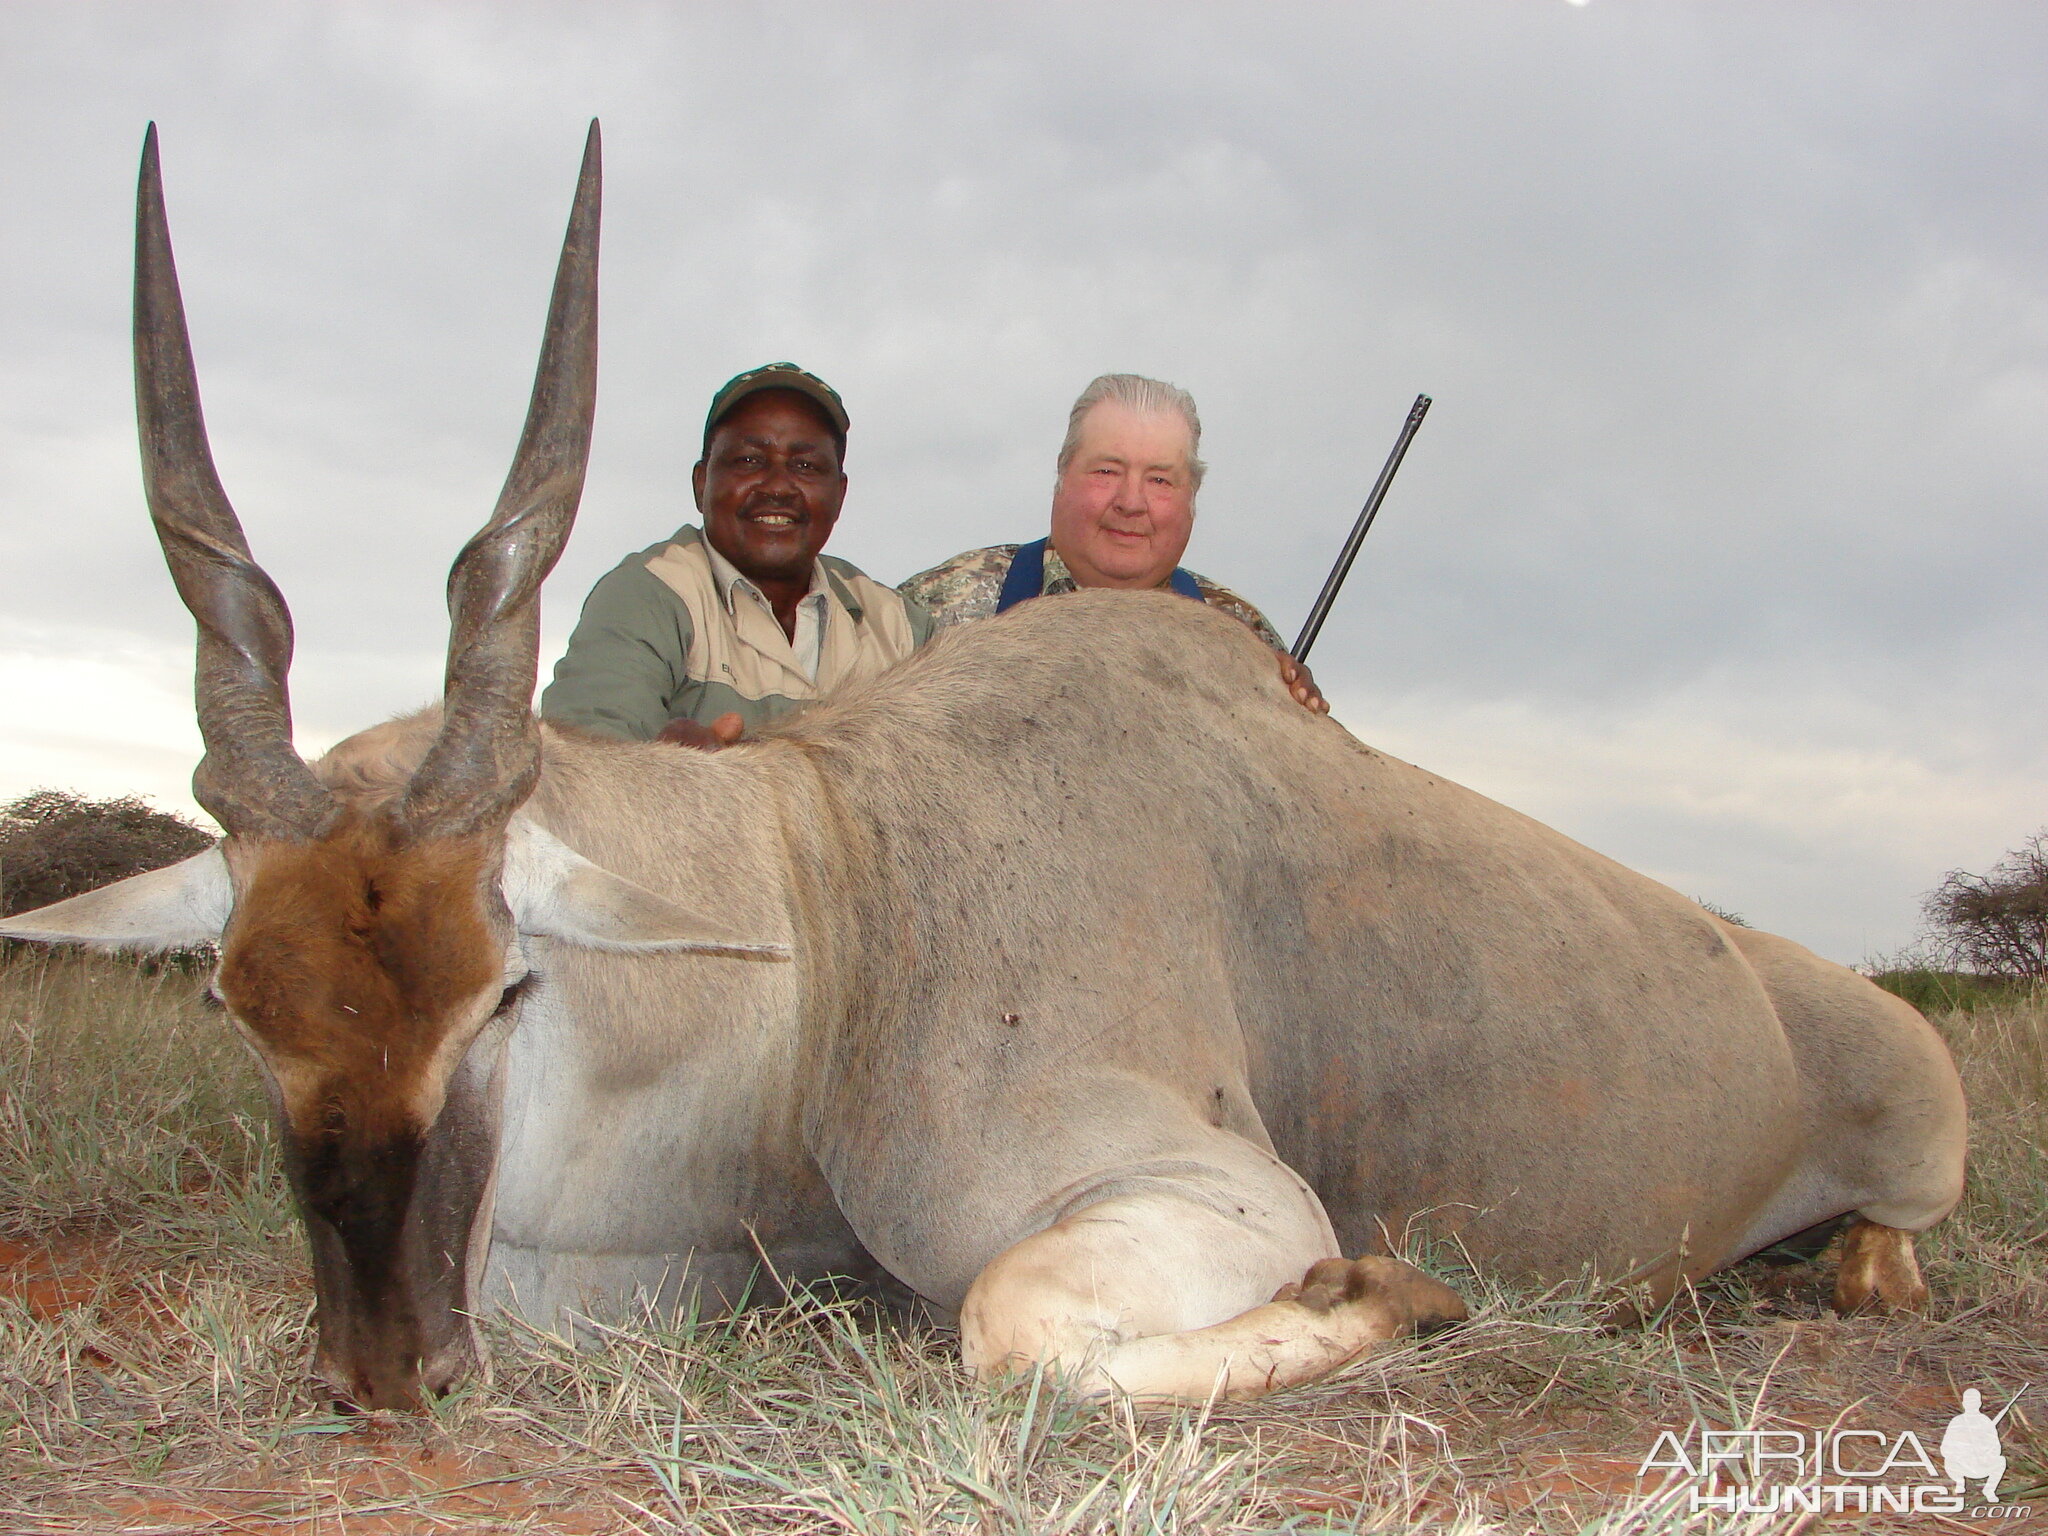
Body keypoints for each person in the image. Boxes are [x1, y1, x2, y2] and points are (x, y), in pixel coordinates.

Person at [542, 363, 933, 746]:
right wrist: (673, 777)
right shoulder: (648, 594)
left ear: (840, 495)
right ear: (701, 484)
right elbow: (581, 766)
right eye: (749, 460)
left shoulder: (897, 626)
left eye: (806, 465)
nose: (778, 487)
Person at [899, 374, 1326, 713]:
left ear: (1191, 498)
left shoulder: (1243, 633)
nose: (1131, 502)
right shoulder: (929, 614)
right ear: (1062, 478)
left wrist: (1297, 709)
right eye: (1106, 472)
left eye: (1160, 480)